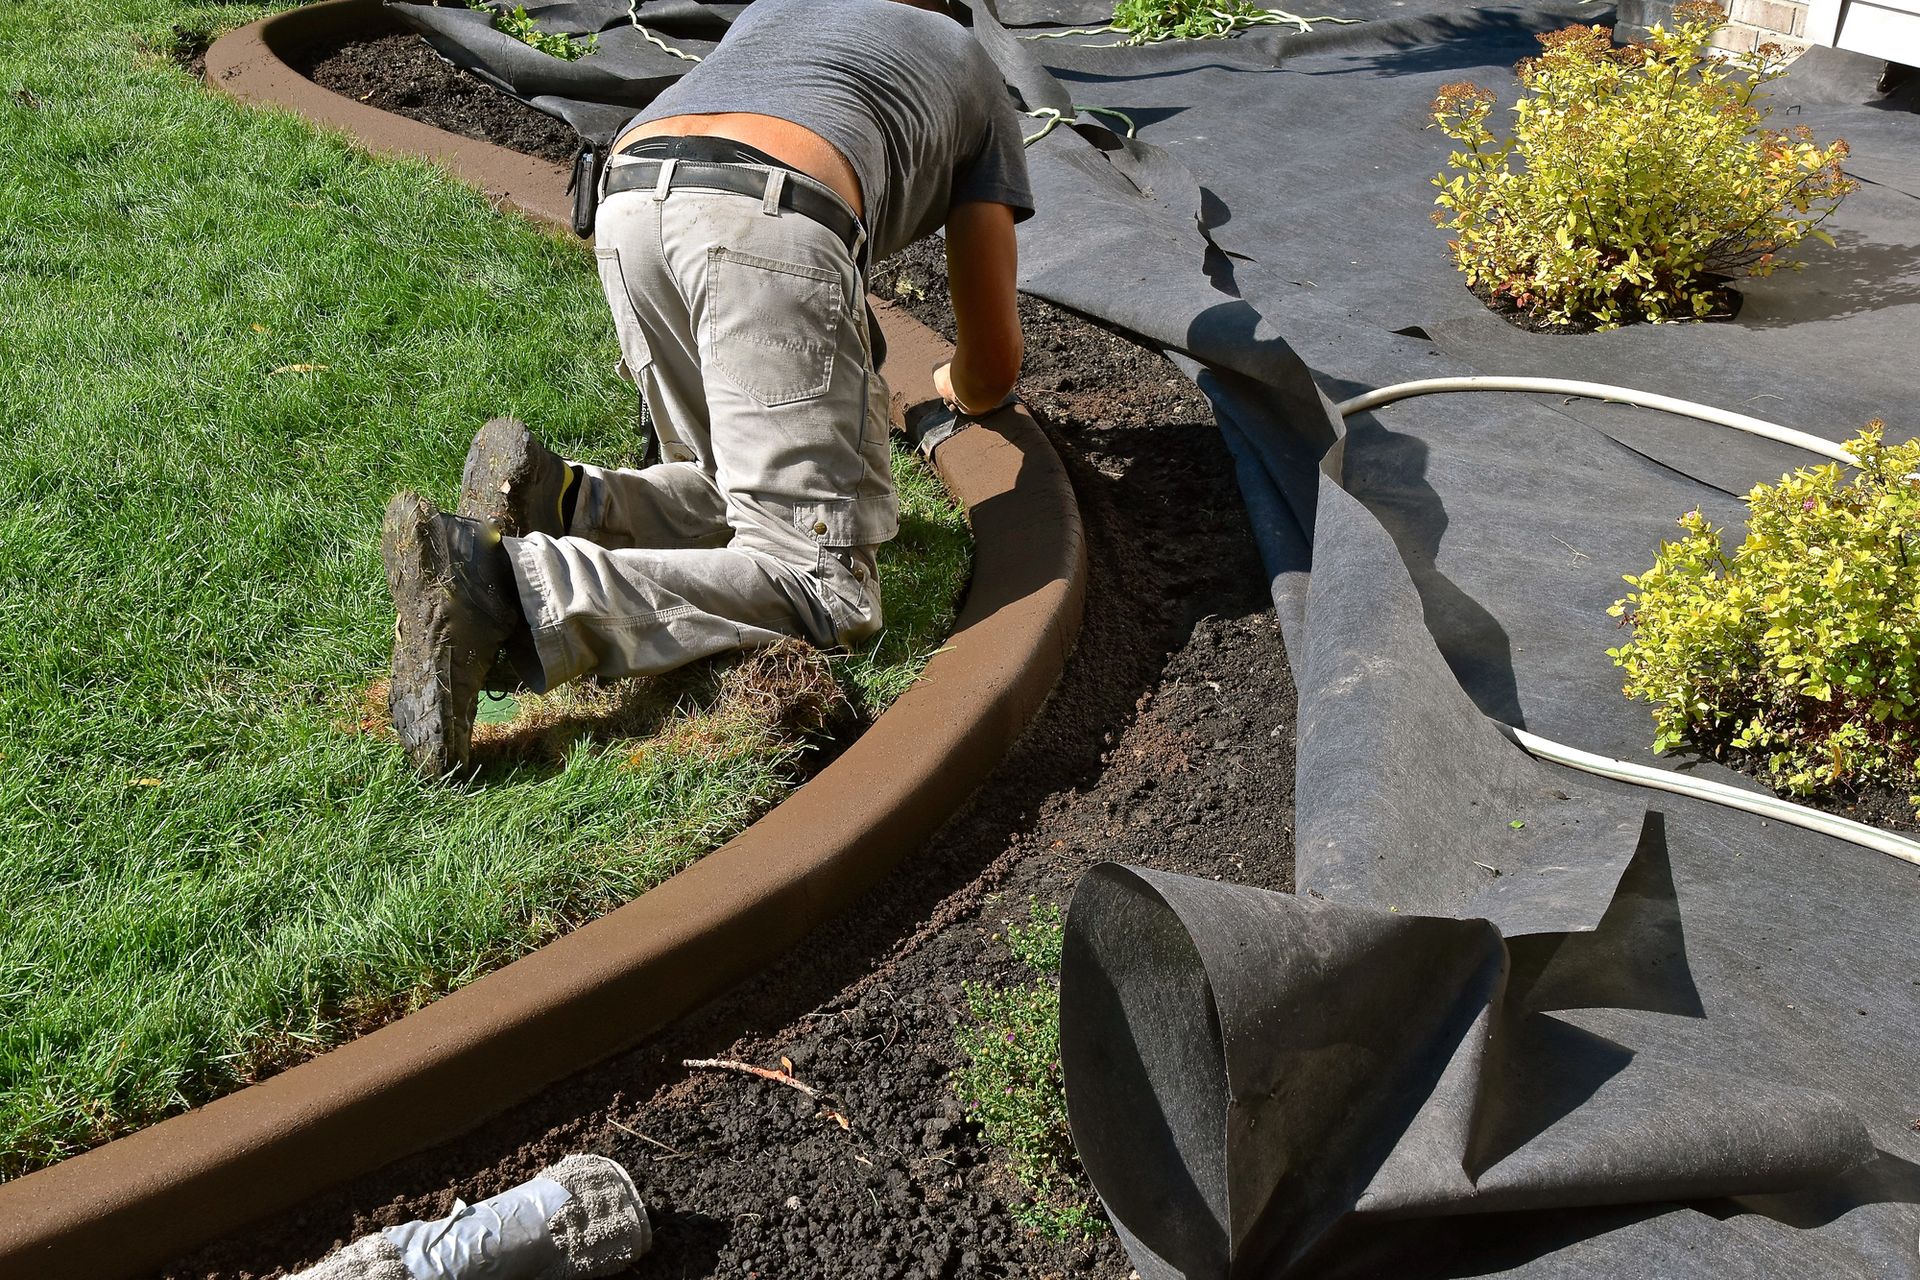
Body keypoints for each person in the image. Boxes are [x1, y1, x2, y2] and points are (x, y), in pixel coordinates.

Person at [380, 0, 1034, 778]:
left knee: (727, 482)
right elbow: (991, 369)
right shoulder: (970, 65)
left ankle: (567, 501)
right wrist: (945, 386)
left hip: (630, 197)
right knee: (823, 582)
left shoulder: (778, 9)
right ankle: (510, 587)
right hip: (770, 214)